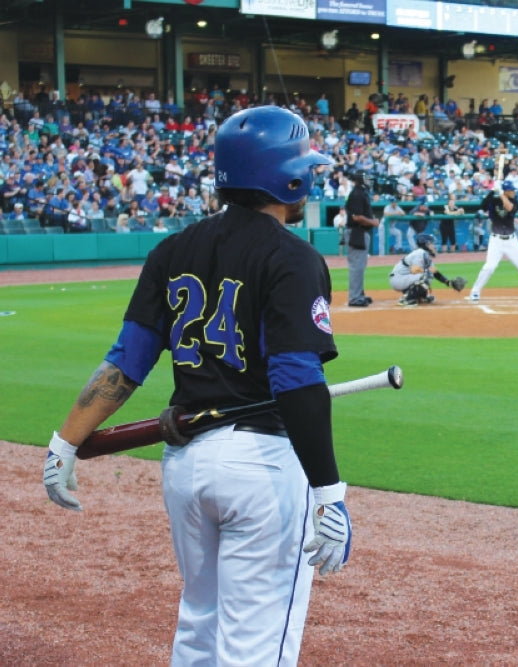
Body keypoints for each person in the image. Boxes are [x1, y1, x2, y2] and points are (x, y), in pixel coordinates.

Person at [41, 106, 351, 665]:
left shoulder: (172, 249)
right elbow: (297, 380)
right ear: (289, 177)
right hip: (261, 467)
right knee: (255, 646)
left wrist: (65, 442)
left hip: (185, 466)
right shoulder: (294, 258)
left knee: (199, 630)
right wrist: (330, 492)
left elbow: (126, 364)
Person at [468, 179, 518, 302]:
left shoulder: (514, 201)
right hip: (496, 240)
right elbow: (482, 206)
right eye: (511, 190)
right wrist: (493, 190)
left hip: (511, 241)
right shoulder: (493, 200)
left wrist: (501, 194)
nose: (513, 192)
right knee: (489, 267)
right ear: (506, 191)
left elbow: (509, 208)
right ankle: (475, 291)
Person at [389, 233, 466, 306]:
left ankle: (420, 297)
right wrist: (427, 271)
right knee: (425, 276)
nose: (433, 246)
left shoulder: (426, 255)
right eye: (431, 243)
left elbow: (435, 272)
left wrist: (448, 282)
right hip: (398, 279)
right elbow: (414, 270)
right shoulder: (420, 253)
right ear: (425, 244)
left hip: (404, 278)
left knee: (427, 275)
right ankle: (406, 299)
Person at [344, 170, 379, 307]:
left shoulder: (361, 193)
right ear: (360, 179)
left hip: (360, 232)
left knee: (360, 265)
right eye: (366, 178)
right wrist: (373, 222)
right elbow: (356, 217)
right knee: (356, 266)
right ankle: (354, 297)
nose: (369, 181)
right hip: (356, 232)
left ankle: (359, 294)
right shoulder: (357, 194)